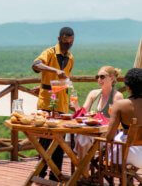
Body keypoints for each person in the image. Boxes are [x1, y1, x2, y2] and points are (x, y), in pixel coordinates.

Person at [32, 27, 75, 181]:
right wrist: (54, 70)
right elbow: (36, 65)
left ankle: (55, 175)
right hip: (46, 103)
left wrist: (67, 92)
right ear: (59, 38)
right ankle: (40, 174)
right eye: (66, 39)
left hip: (62, 103)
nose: (68, 42)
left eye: (71, 40)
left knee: (60, 142)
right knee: (45, 141)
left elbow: (64, 81)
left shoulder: (71, 58)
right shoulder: (49, 52)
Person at [72, 65, 123, 174]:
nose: (99, 79)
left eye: (102, 76)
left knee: (83, 139)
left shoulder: (117, 96)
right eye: (97, 77)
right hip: (91, 131)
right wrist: (76, 106)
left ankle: (82, 174)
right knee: (81, 137)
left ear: (112, 78)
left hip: (107, 135)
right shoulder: (93, 94)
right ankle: (83, 173)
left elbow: (116, 121)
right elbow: (83, 114)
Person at [106, 68, 142, 168]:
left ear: (128, 87)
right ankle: (129, 181)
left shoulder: (120, 105)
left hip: (127, 154)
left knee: (110, 145)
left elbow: (109, 137)